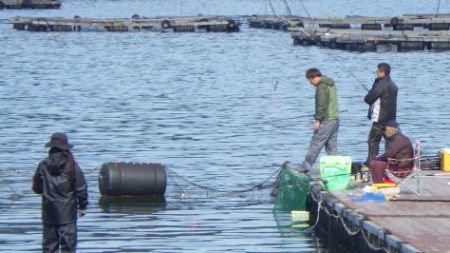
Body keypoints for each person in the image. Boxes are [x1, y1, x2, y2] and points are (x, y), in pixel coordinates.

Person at [32, 132, 88, 253]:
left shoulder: (43, 165)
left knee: (49, 249)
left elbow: (36, 188)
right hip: (67, 214)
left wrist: (46, 188)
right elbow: (81, 188)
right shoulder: (71, 165)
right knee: (68, 248)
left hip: (49, 213)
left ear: (51, 148)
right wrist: (82, 207)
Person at [300, 68, 340, 172]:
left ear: (313, 77)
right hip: (335, 119)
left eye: (309, 80)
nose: (310, 83)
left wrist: (317, 120)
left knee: (316, 143)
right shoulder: (330, 83)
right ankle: (333, 168)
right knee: (331, 145)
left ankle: (305, 167)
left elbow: (321, 104)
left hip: (326, 119)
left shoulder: (321, 86)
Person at [364, 63, 398, 165]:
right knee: (391, 142)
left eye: (377, 71)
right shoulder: (393, 85)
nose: (376, 73)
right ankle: (393, 162)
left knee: (373, 141)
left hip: (380, 119)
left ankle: (372, 163)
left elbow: (368, 99)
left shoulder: (381, 85)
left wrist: (374, 86)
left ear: (382, 72)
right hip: (391, 120)